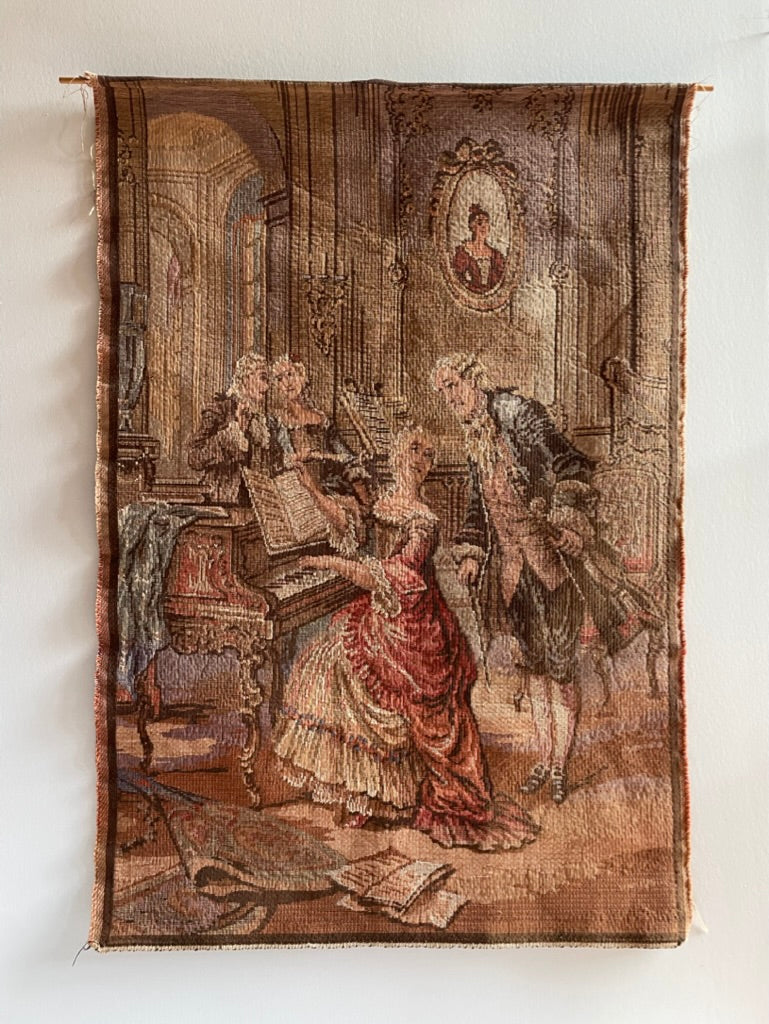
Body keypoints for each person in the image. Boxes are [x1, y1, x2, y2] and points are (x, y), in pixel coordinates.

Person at [272, 426, 538, 851]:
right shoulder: (383, 501)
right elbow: (350, 524)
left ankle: (387, 795)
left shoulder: (422, 522)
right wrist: (311, 488)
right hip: (388, 614)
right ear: (396, 451)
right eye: (414, 448)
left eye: (428, 455)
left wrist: (330, 564)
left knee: (348, 666)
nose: (420, 460)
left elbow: (397, 579)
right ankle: (364, 791)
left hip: (412, 626)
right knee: (324, 658)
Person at [433, 352, 655, 805]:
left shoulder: (519, 414)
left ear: (474, 379)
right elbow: (478, 508)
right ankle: (544, 756)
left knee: (560, 667)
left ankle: (559, 766)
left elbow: (572, 465)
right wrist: (473, 552)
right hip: (513, 573)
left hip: (553, 567)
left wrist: (567, 520)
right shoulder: (475, 437)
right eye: (443, 392)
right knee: (533, 667)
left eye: (453, 385)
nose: (449, 398)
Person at [271, 355, 371, 507]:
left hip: (329, 486)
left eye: (290, 374)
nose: (287, 383)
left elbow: (344, 454)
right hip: (298, 487)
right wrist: (298, 457)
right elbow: (278, 462)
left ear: (302, 376)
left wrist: (357, 459)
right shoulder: (277, 422)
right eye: (279, 379)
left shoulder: (322, 419)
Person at [187, 353, 283, 505]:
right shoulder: (220, 409)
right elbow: (194, 457)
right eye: (263, 378)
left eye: (268, 381)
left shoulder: (261, 420)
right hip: (223, 499)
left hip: (255, 501)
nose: (266, 387)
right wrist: (231, 434)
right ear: (245, 378)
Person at [452, 204, 506, 294]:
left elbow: (501, 279)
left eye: (486, 222)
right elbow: (458, 278)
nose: (484, 227)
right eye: (480, 223)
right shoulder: (464, 252)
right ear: (472, 227)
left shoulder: (496, 255)